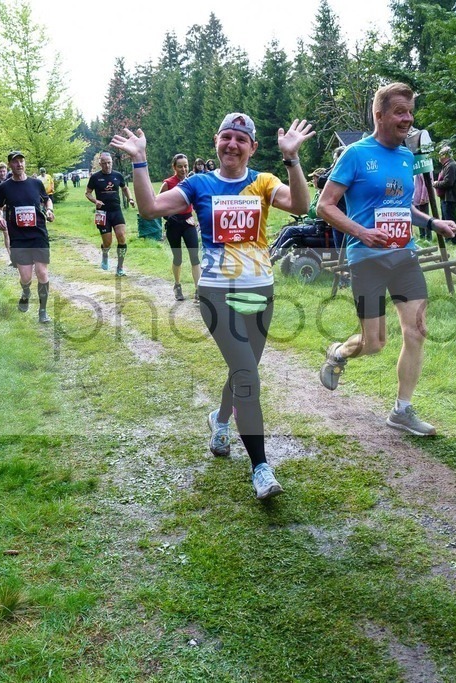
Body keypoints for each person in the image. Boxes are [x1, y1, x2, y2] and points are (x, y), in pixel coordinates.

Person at [111, 113, 314, 500]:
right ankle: (260, 468)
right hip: (217, 293)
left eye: (241, 139)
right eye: (227, 137)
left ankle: (220, 420)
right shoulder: (199, 184)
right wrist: (140, 161)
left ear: (252, 147)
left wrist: (292, 159)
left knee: (244, 371)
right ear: (216, 142)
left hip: (261, 290)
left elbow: (301, 205)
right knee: (247, 376)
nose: (233, 144)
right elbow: (151, 208)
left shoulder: (264, 182)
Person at [315, 82, 456, 437]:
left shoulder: (407, 157)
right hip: (367, 257)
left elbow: (400, 205)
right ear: (379, 115)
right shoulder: (355, 155)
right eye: (399, 112)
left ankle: (402, 410)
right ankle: (340, 352)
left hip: (404, 254)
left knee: (418, 330)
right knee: (374, 343)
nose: (407, 119)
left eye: (410, 112)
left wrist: (431, 221)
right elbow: (325, 205)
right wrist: (361, 232)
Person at [0, 151, 55, 323]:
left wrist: (50, 210)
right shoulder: (4, 187)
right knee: (26, 277)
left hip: (38, 233)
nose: (19, 164)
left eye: (21, 161)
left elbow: (47, 200)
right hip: (19, 237)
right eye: (15, 162)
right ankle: (26, 291)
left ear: (24, 164)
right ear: (10, 165)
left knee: (42, 273)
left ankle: (43, 311)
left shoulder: (36, 183)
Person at [158, 154, 200, 302]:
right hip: (173, 224)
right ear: (174, 167)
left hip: (188, 222)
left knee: (195, 257)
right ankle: (177, 285)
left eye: (186, 166)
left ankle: (198, 290)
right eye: (180, 166)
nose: (184, 169)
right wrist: (168, 216)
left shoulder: (192, 182)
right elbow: (158, 204)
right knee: (178, 258)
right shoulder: (168, 183)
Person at [86, 152, 135, 276]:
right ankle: (105, 253)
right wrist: (95, 201)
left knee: (122, 238)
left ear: (112, 162)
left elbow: (124, 188)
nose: (107, 166)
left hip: (116, 211)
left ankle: (120, 267)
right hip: (102, 213)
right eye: (104, 163)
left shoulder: (117, 175)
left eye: (109, 163)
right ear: (100, 164)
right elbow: (88, 193)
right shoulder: (95, 177)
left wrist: (130, 198)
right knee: (107, 242)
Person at [432, 146, 456, 245]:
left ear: (445, 155)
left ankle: (455, 240)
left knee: (450, 219)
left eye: (440, 154)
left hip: (450, 197)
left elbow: (448, 182)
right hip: (446, 197)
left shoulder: (451, 165)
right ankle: (449, 238)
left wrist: (436, 183)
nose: (439, 157)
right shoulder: (448, 165)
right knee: (446, 218)